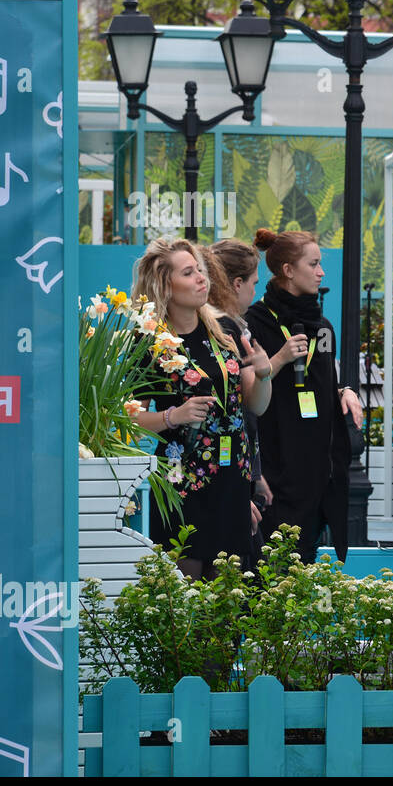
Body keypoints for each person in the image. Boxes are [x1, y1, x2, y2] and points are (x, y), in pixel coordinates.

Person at [130, 238, 274, 580]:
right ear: (166, 285)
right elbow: (130, 417)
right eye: (189, 272)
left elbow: (256, 405)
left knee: (228, 599)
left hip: (231, 479)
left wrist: (265, 373)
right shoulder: (150, 340)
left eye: (200, 271)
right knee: (188, 599)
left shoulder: (225, 331)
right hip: (183, 484)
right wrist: (172, 417)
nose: (202, 279)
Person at [245, 229, 364, 563]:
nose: (321, 272)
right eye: (313, 264)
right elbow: (243, 394)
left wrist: (344, 391)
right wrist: (280, 358)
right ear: (287, 270)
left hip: (315, 470)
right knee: (269, 569)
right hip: (275, 465)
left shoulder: (322, 326)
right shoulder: (253, 324)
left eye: (320, 264)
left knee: (305, 563)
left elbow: (324, 382)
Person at [207, 239, 294, 567]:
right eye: (255, 284)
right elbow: (242, 408)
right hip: (224, 474)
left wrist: (254, 474)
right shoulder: (226, 329)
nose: (256, 294)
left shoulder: (227, 327)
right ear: (237, 284)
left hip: (232, 470)